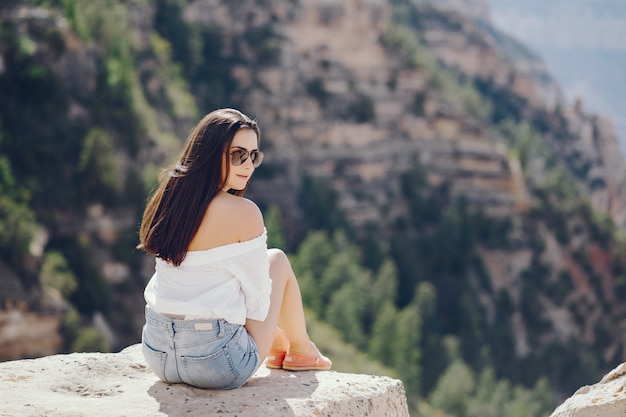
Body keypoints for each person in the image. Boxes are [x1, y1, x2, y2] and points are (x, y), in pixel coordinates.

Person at [137, 108, 331, 390]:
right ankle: (303, 351)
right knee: (276, 260)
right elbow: (258, 301)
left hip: (158, 354)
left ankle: (289, 345)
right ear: (211, 153)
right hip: (216, 363)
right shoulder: (244, 213)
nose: (248, 165)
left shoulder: (170, 199)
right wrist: (273, 333)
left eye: (254, 156)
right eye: (238, 154)